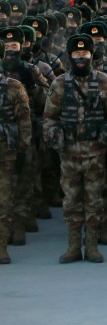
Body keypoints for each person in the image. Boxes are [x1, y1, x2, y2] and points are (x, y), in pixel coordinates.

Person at [43, 34, 107, 265]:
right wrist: (55, 137)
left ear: (91, 55)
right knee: (71, 201)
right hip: (68, 153)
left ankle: (93, 246)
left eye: (84, 54)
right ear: (70, 56)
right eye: (76, 54)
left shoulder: (105, 81)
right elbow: (49, 117)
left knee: (94, 200)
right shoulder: (59, 83)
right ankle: (74, 246)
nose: (80, 58)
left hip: (95, 152)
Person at [0, 34, 32, 265]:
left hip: (5, 151)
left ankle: (1, 247)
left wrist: (22, 150)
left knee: (4, 199)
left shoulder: (13, 86)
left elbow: (24, 121)